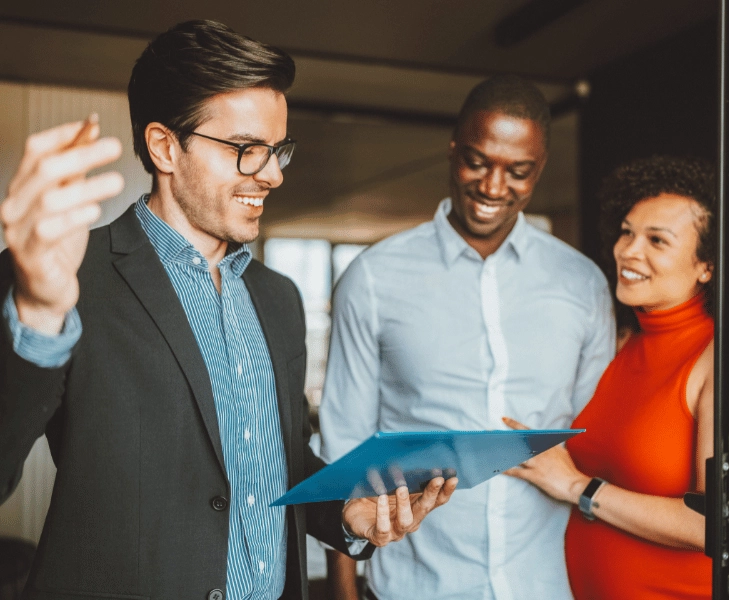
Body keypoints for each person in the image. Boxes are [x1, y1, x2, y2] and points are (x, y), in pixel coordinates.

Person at [0, 20, 455, 600]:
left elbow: (276, 460)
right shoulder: (64, 276)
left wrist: (347, 513)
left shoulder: (279, 298)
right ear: (166, 147)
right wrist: (38, 311)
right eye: (247, 150)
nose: (273, 174)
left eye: (277, 149)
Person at [318, 75, 617, 600]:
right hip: (414, 589)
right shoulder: (373, 278)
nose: (494, 187)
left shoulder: (583, 284)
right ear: (454, 149)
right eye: (478, 161)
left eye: (518, 171)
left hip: (546, 587)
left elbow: (593, 444)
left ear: (539, 169)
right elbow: (344, 454)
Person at [504, 155, 716, 599]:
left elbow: (711, 524)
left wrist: (576, 486)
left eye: (657, 240)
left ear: (706, 266)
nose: (628, 251)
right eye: (627, 232)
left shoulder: (715, 361)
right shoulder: (619, 346)